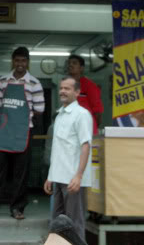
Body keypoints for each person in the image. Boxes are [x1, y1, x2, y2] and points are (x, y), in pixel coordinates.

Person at [0, 46, 45, 220]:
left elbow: (40, 109)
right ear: (13, 61)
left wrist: (23, 115)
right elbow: (1, 106)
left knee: (20, 173)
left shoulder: (35, 84)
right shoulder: (2, 81)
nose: (20, 64)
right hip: (4, 131)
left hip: (24, 132)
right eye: (17, 60)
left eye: (23, 61)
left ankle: (17, 208)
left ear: (28, 62)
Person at [44, 77, 93, 244]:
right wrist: (50, 176)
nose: (63, 91)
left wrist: (79, 175)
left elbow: (85, 146)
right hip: (58, 177)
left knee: (75, 224)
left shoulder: (82, 115)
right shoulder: (59, 115)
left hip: (73, 180)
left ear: (77, 92)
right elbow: (58, 149)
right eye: (61, 88)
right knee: (57, 224)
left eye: (68, 88)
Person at [67, 54, 103, 135]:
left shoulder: (89, 85)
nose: (70, 65)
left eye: (74, 63)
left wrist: (92, 128)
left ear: (81, 68)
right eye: (69, 63)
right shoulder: (67, 86)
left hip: (87, 130)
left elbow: (98, 112)